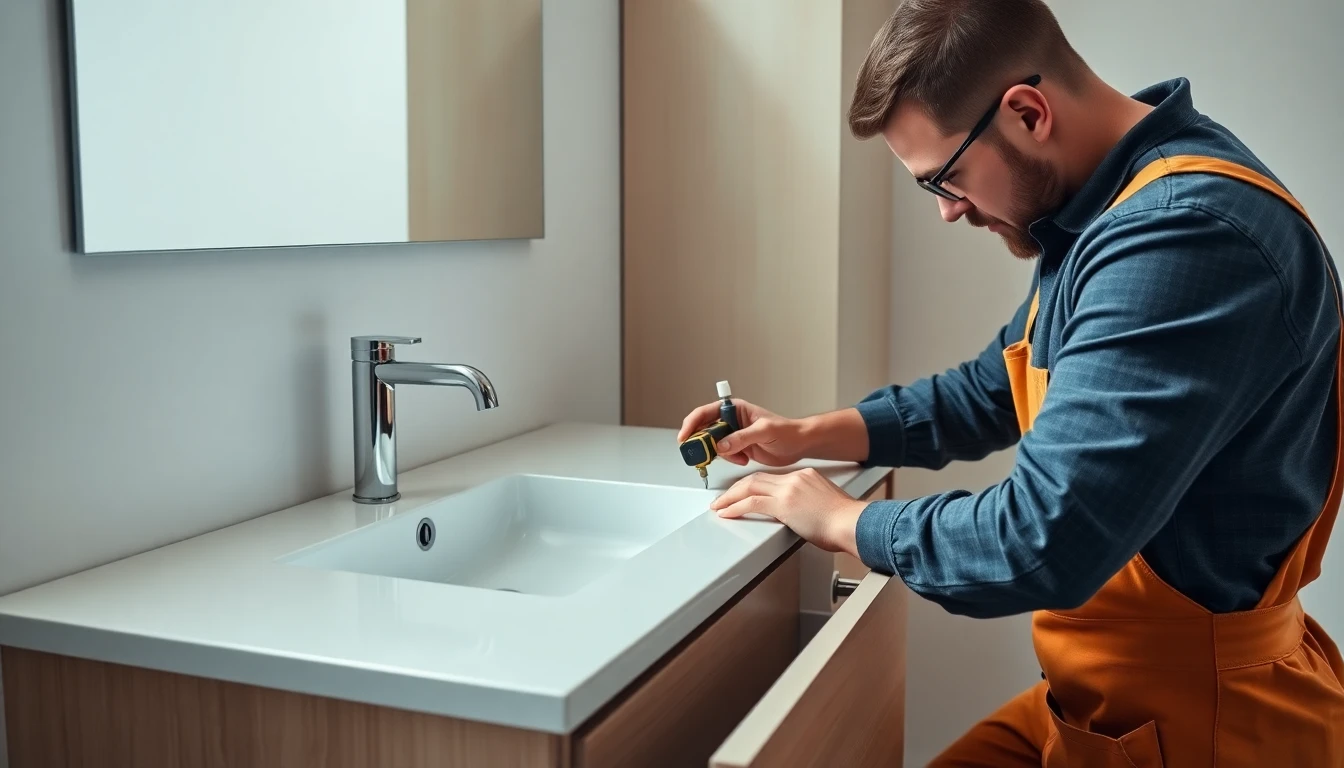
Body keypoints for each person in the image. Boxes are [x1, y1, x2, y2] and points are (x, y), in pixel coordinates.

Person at [675, 0, 1344, 765]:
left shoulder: (1180, 235)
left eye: (945, 180)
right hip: (1102, 703)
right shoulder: (1101, 213)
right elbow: (992, 389)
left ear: (1026, 112)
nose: (949, 211)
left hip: (1206, 723)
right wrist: (804, 435)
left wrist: (845, 523)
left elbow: (1043, 537)